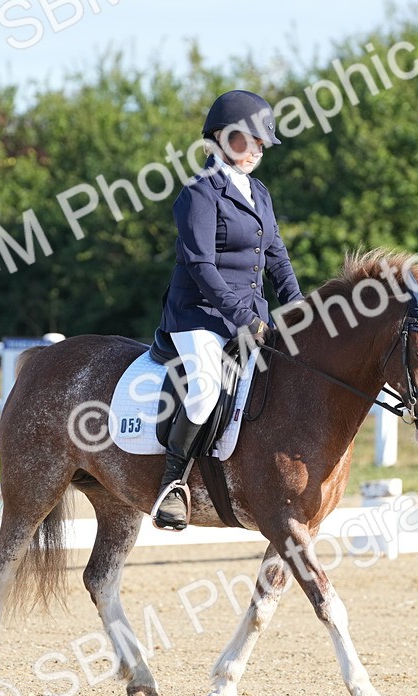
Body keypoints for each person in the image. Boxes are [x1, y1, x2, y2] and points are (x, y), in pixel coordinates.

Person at [150, 89, 305, 530]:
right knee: (203, 390)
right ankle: (173, 484)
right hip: (198, 315)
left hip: (249, 315)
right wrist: (244, 318)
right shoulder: (198, 194)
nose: (257, 150)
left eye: (261, 143)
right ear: (220, 139)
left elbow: (277, 256)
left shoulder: (258, 192)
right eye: (247, 140)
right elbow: (201, 266)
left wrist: (296, 307)